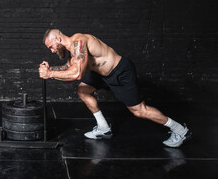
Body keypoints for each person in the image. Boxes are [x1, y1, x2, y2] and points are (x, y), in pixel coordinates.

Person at [38, 29, 192, 147]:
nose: (52, 50)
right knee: (82, 90)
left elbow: (77, 73)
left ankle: (180, 130)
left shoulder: (79, 42)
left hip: (120, 72)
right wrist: (50, 69)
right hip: (102, 75)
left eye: (51, 47)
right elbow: (68, 66)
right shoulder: (72, 52)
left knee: (139, 111)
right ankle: (104, 128)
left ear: (58, 38)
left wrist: (50, 74)